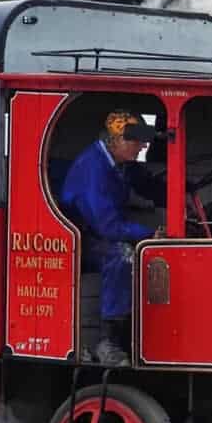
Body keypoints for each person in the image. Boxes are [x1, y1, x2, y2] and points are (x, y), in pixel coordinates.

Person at [60, 111, 164, 366]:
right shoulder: (93, 168)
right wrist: (149, 235)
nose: (143, 146)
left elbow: (146, 185)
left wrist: (181, 191)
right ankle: (109, 342)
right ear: (114, 140)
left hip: (96, 234)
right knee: (123, 256)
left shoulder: (119, 163)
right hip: (74, 241)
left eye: (144, 140)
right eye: (136, 141)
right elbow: (106, 225)